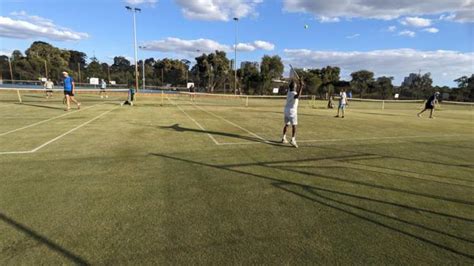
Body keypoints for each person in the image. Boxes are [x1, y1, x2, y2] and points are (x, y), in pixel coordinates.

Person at [281, 79, 304, 148]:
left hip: (286, 110)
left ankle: (283, 138)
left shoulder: (289, 92)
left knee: (287, 125)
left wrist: (300, 84)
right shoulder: (293, 93)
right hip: (292, 111)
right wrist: (301, 86)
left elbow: (297, 94)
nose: (296, 86)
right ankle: (293, 140)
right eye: (295, 85)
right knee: (294, 126)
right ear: (294, 87)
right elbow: (298, 96)